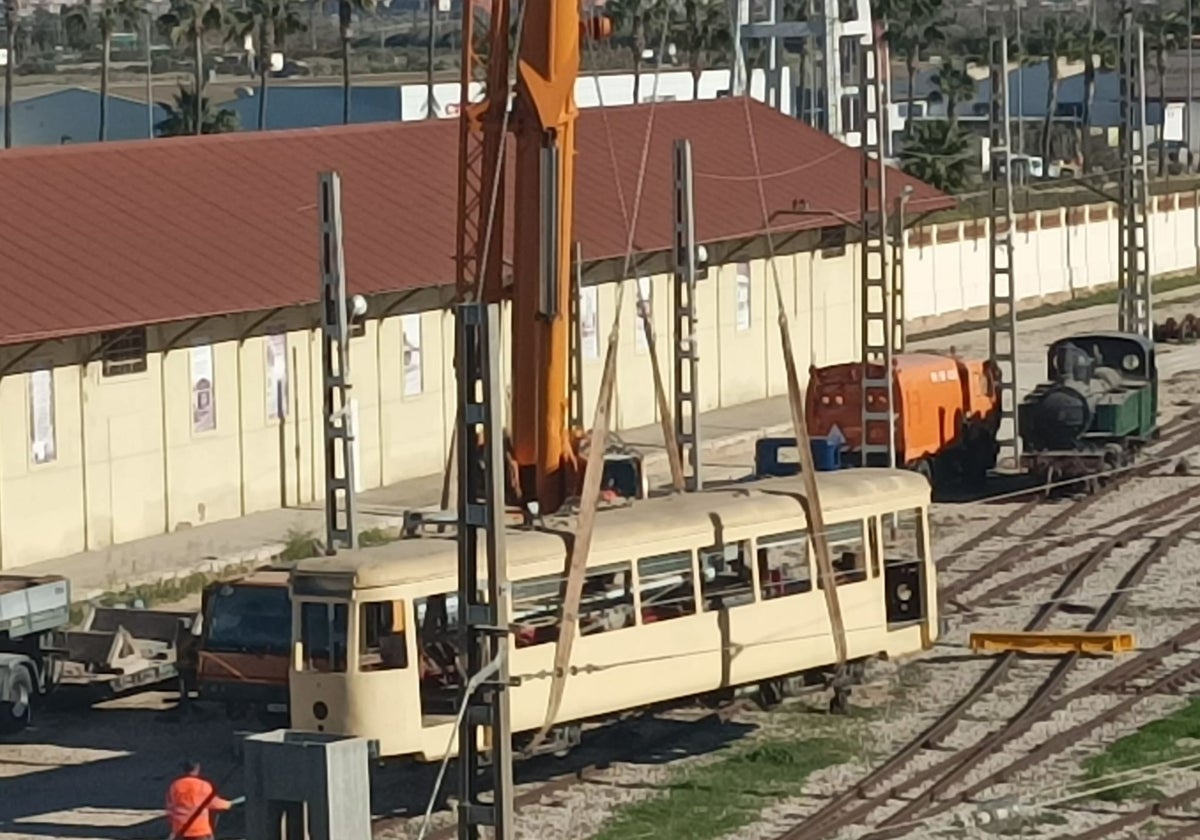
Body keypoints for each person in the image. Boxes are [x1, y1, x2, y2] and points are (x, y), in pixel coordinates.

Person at [166, 759, 232, 840]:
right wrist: (228, 804)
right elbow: (214, 803)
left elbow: (170, 806)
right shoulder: (203, 785)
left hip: (180, 829)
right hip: (200, 830)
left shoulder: (175, 786)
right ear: (197, 769)